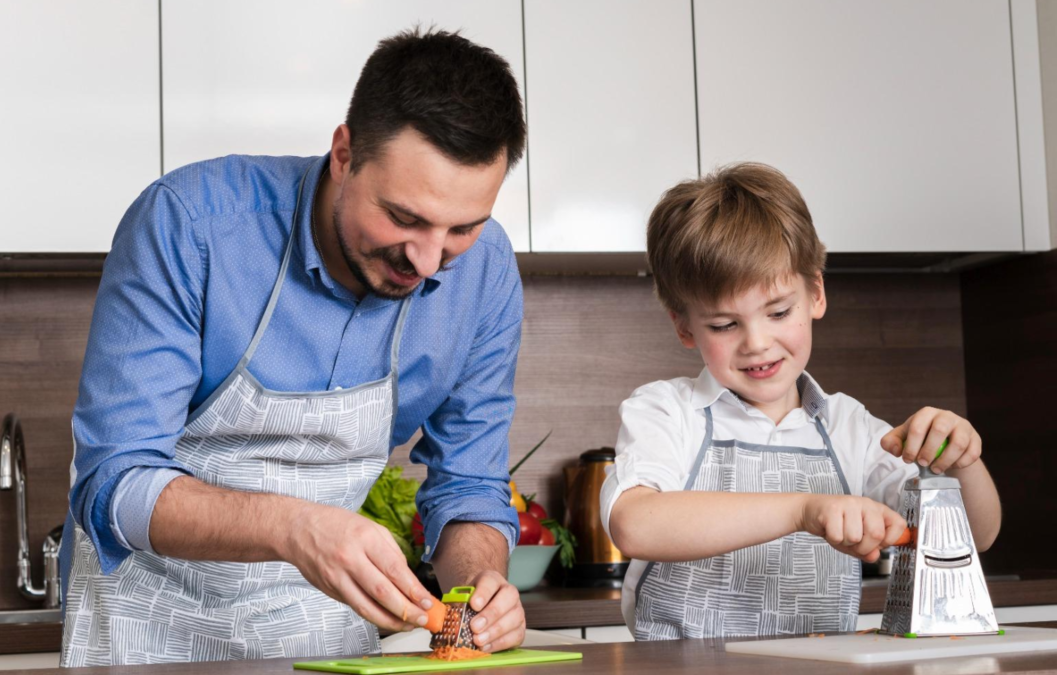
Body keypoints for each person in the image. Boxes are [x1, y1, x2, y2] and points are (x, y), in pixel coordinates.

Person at [61, 28, 529, 666]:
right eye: (404, 217)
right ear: (344, 154)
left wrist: (480, 589)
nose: (427, 261)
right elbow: (114, 484)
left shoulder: (487, 273)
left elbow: (469, 486)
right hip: (148, 628)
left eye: (462, 228)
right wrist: (295, 525)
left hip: (322, 640)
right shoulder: (188, 225)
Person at [600, 163, 1001, 639]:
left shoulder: (849, 427)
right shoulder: (667, 411)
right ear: (684, 327)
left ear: (815, 293)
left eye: (778, 312)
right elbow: (635, 525)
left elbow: (973, 537)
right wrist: (802, 511)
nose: (756, 343)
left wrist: (963, 463)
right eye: (724, 325)